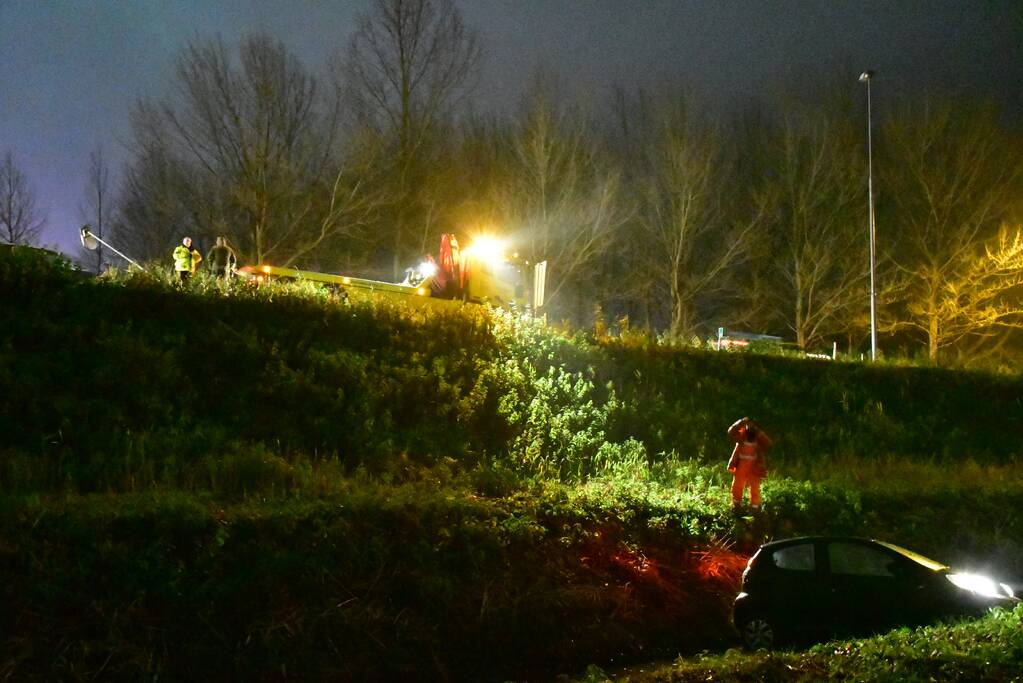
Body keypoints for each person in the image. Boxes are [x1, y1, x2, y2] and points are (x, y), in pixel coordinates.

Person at [727, 417, 773, 510]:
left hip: (754, 465)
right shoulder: (742, 435)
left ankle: (754, 507)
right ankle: (736, 504)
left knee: (754, 486)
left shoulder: (758, 436)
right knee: (737, 484)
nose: (750, 426)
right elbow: (731, 431)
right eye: (748, 424)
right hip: (741, 463)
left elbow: (768, 443)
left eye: (752, 424)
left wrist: (758, 431)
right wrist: (741, 422)